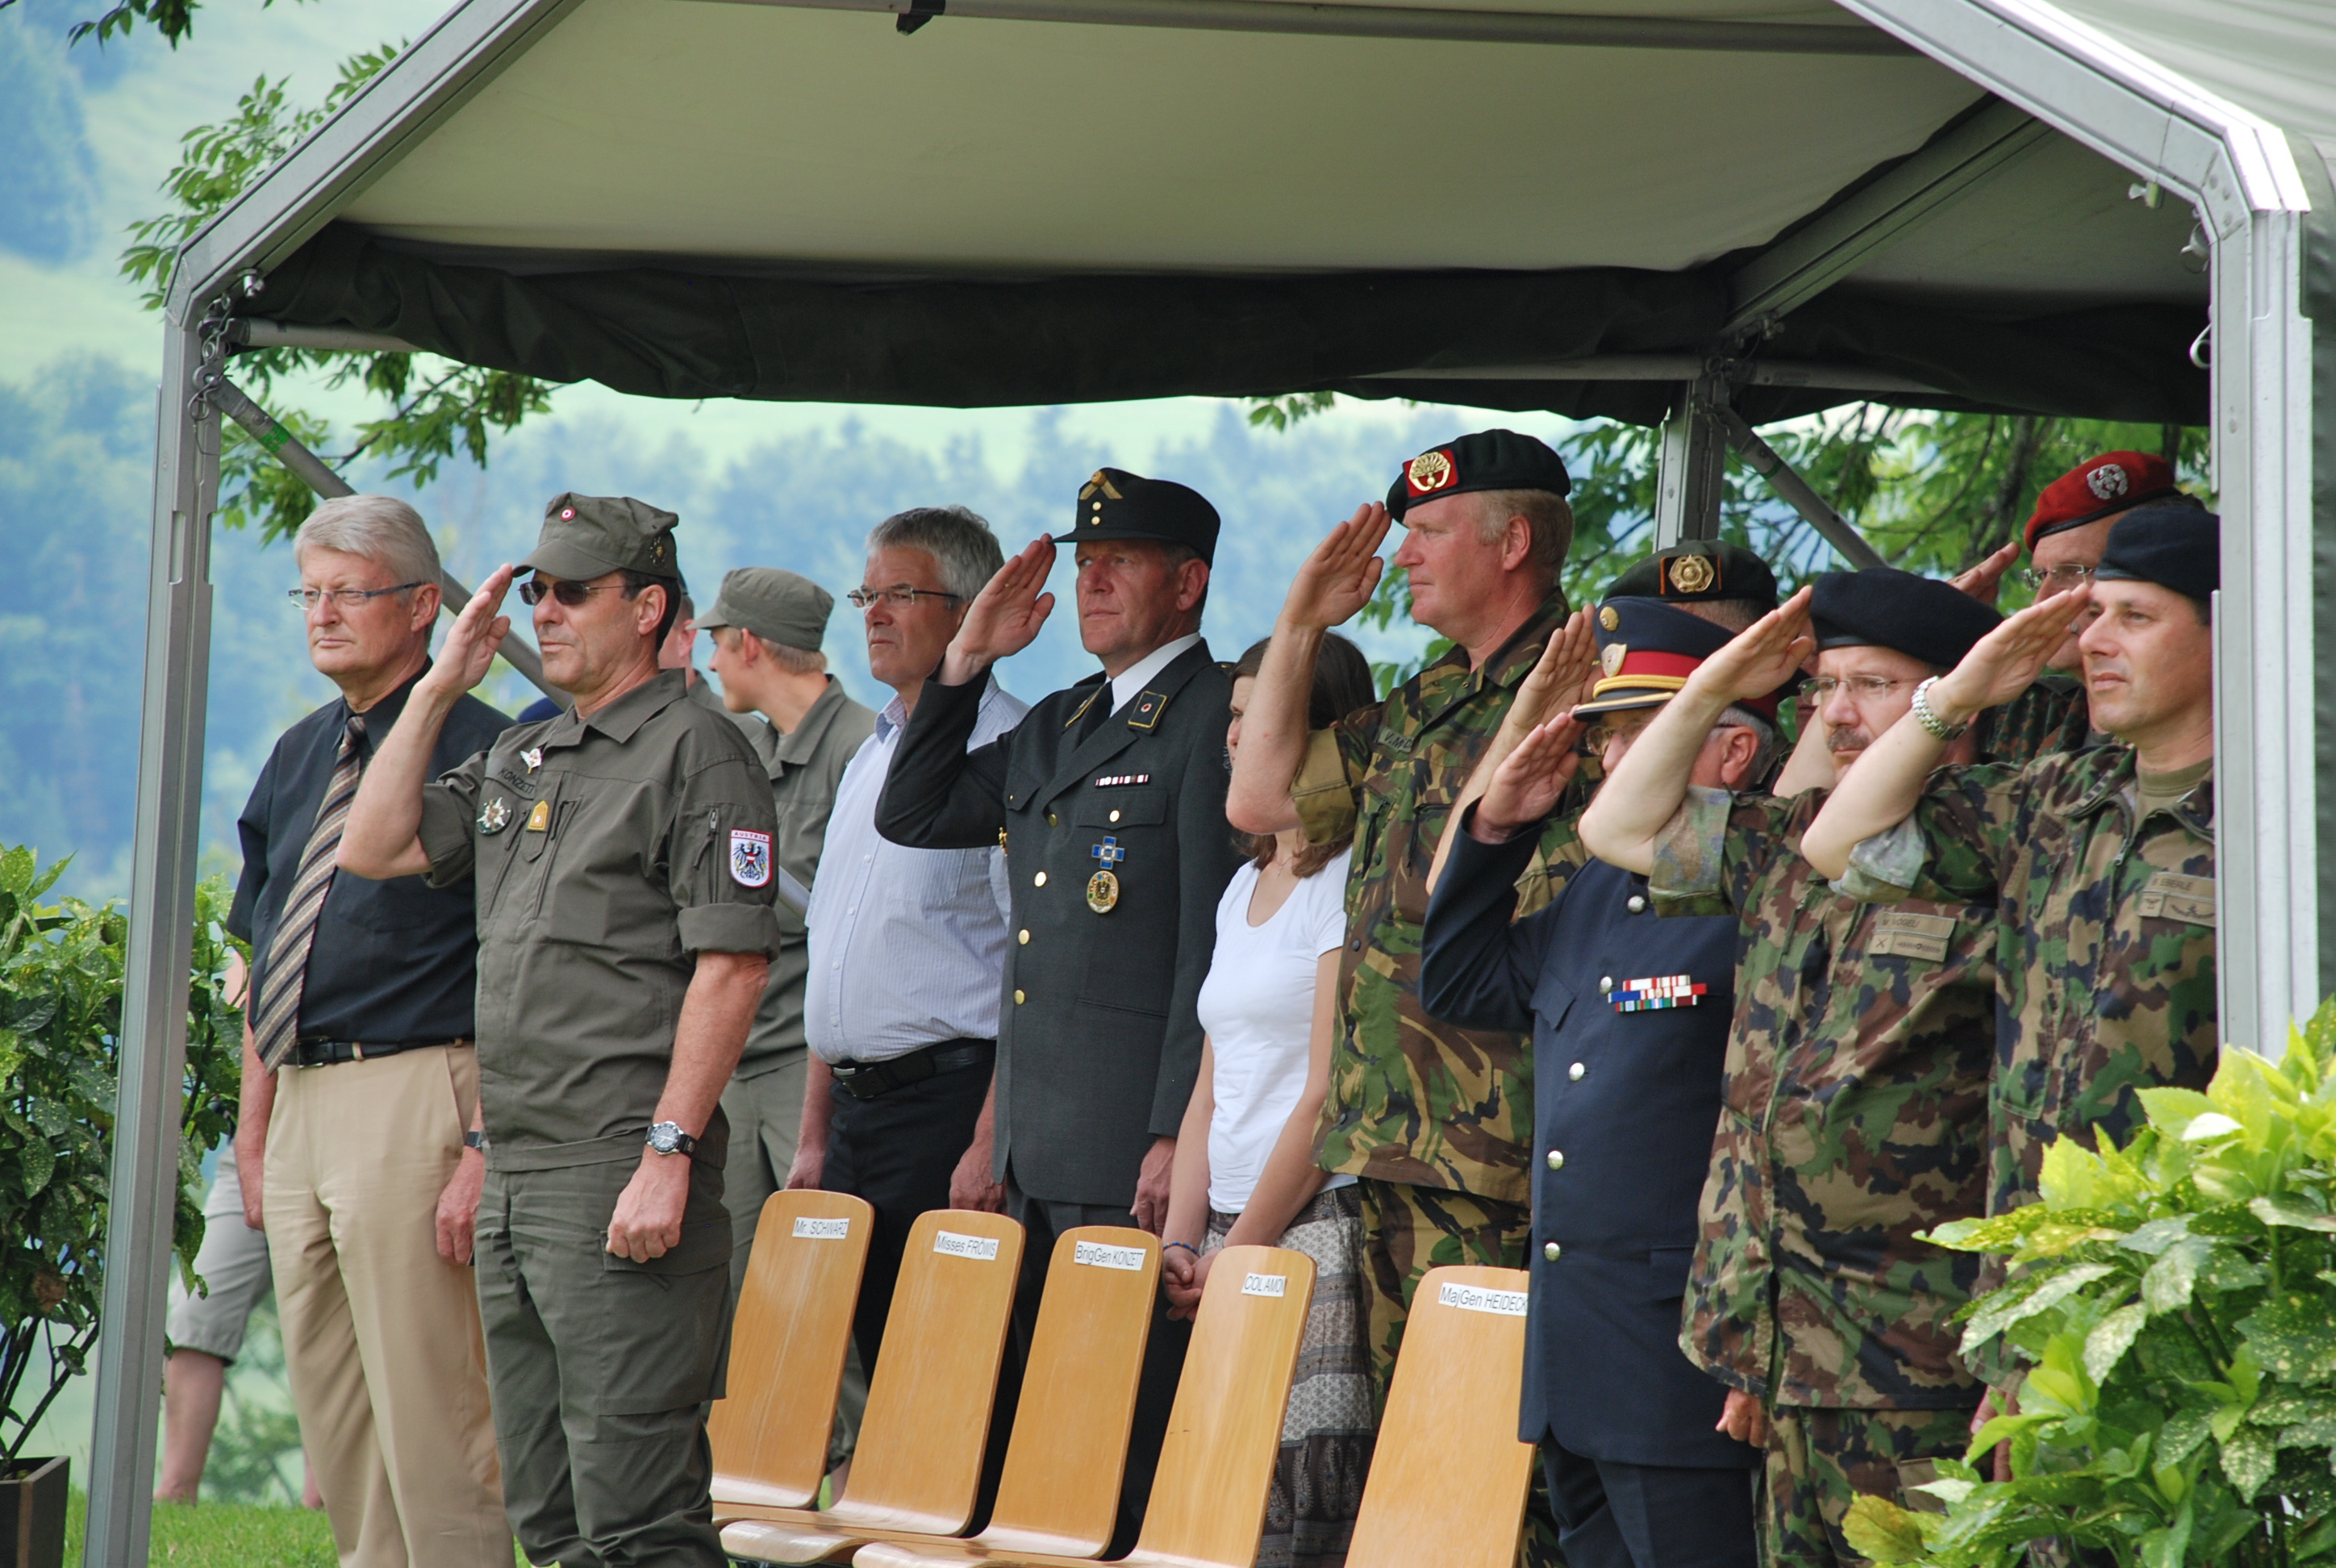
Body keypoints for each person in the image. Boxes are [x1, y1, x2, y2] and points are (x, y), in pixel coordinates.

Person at [337, 493, 782, 1568]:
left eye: (574, 591)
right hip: (518, 1173)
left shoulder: (700, 751)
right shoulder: (527, 752)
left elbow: (731, 967)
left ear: (647, 608)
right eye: (537, 590)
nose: (545, 611)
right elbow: (374, 844)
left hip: (618, 1166)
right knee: (549, 1516)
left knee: (639, 1518)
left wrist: (669, 1155)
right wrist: (440, 685)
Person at [1577, 569, 2007, 1568]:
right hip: (1787, 1352)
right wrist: (1712, 686)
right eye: (1824, 689)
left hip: (1922, 1352)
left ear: (1956, 697)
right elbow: (1613, 828)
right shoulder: (1783, 843)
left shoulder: (2001, 842)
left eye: (1873, 686)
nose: (1838, 715)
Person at [875, 468, 1241, 1547]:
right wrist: (966, 663)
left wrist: (1175, 1132)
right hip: (1038, 1147)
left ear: (1189, 583)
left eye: (1120, 563)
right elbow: (915, 810)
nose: (1093, 584)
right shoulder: (1061, 720)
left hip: (1129, 1147)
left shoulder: (1213, 713)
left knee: (1125, 1444)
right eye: (1086, 567)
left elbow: (1206, 946)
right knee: (1050, 1443)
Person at [1222, 431, 1583, 1395]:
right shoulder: (1425, 700)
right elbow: (1258, 800)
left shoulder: (1585, 688)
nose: (1404, 554)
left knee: (1480, 1444)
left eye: (1429, 532)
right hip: (1383, 1138)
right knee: (1403, 1449)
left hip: (1495, 1145)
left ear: (1512, 544)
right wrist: (1299, 624)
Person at [1421, 595, 1774, 1568]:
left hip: (1677, 1363)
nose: (1612, 761)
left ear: (1732, 753)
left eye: (1642, 734)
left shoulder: (1759, 890)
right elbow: (1460, 983)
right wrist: (1496, 829)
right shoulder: (1599, 888)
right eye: (1606, 737)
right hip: (1575, 1356)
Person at [223, 494, 511, 1566]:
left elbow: (518, 965)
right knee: (337, 1415)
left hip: (417, 1091)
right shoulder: (299, 752)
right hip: (300, 1100)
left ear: (423, 604)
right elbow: (265, 953)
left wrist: (482, 1141)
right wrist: (255, 1133)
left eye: (349, 593)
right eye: (310, 593)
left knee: (437, 1415)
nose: (323, 615)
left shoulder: (493, 752)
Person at [1800, 503, 2218, 1218]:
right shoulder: (2054, 797)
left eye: (2135, 617)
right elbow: (1836, 846)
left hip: (2185, 1258)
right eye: (2093, 614)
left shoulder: (2275, 823)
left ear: (2226, 630)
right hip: (2029, 1250)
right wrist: (1953, 697)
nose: (2094, 640)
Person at [788, 508, 1027, 1394]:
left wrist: (989, 1142)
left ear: (970, 611)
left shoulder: (1012, 753)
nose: (875, 615)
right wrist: (815, 1137)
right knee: (877, 1378)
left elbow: (1031, 969)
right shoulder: (868, 756)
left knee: (949, 1388)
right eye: (867, 596)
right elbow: (835, 958)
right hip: (854, 1120)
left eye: (901, 593)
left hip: (948, 1111)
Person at [1162, 633, 1378, 1568]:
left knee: (1296, 1519)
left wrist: (1239, 1249)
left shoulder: (1346, 879)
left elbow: (1326, 1094)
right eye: (1235, 715)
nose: (1235, 734)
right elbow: (1208, 1092)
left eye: (1261, 716)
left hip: (1308, 1232)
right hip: (1223, 1235)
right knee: (1216, 1502)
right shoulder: (1242, 887)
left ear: (1320, 733)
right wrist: (1182, 1242)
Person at [697, 567, 876, 1308]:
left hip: (810, 1073)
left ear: (750, 644)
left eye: (717, 642)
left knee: (829, 1306)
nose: (711, 662)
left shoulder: (867, 750)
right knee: (740, 1302)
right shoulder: (738, 748)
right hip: (734, 1066)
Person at [1959, 450, 2188, 765]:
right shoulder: (2028, 709)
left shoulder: (2202, 720)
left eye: (2073, 572)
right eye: (2041, 576)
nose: (2043, 600)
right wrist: (1931, 632)